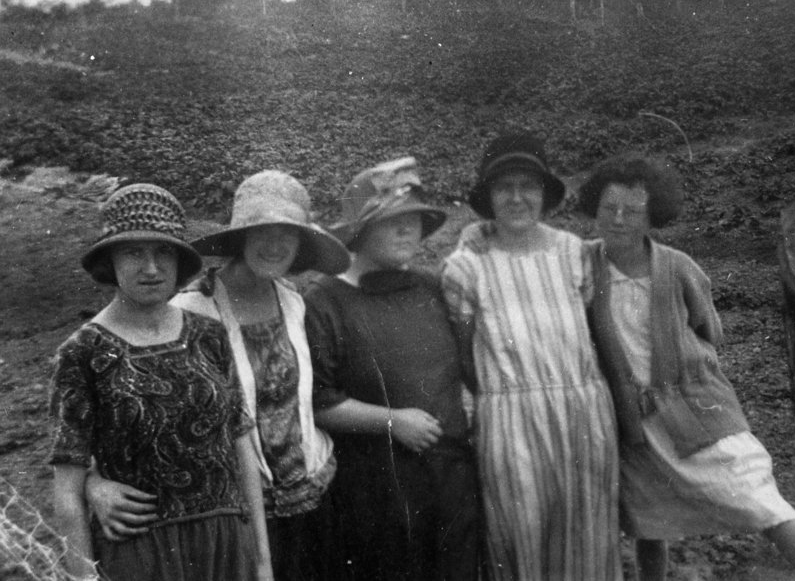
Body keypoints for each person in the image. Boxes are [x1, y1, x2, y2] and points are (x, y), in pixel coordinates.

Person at [84, 170, 351, 581]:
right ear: (240, 237)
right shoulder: (192, 313)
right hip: (239, 513)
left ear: (301, 243)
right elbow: (120, 407)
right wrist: (93, 481)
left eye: (288, 233)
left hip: (315, 499)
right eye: (262, 230)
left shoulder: (295, 303)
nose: (275, 244)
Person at [578, 155, 795, 581]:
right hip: (633, 422)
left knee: (756, 497)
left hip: (693, 411)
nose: (617, 219)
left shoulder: (677, 266)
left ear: (652, 216)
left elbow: (710, 330)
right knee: (647, 522)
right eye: (607, 208)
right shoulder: (583, 266)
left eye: (631, 211)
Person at [49, 183, 273, 581]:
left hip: (224, 545)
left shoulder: (210, 334)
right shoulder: (81, 352)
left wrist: (261, 560)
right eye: (134, 252)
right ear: (111, 261)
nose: (151, 268)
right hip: (141, 554)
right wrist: (82, 578)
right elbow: (67, 490)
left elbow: (241, 446)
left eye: (163, 251)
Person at [440, 132, 623, 580]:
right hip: (508, 417)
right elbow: (465, 357)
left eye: (529, 186)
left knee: (588, 540)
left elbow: (599, 336)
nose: (517, 198)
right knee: (517, 540)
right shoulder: (466, 267)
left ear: (544, 194)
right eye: (504, 187)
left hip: (584, 416)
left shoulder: (573, 252)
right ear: (488, 197)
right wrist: (506, 396)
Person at [303, 157, 480, 581]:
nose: (407, 230)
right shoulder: (325, 301)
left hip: (451, 483)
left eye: (414, 220)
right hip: (377, 493)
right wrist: (391, 421)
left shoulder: (431, 287)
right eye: (392, 221)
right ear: (360, 231)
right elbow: (317, 402)